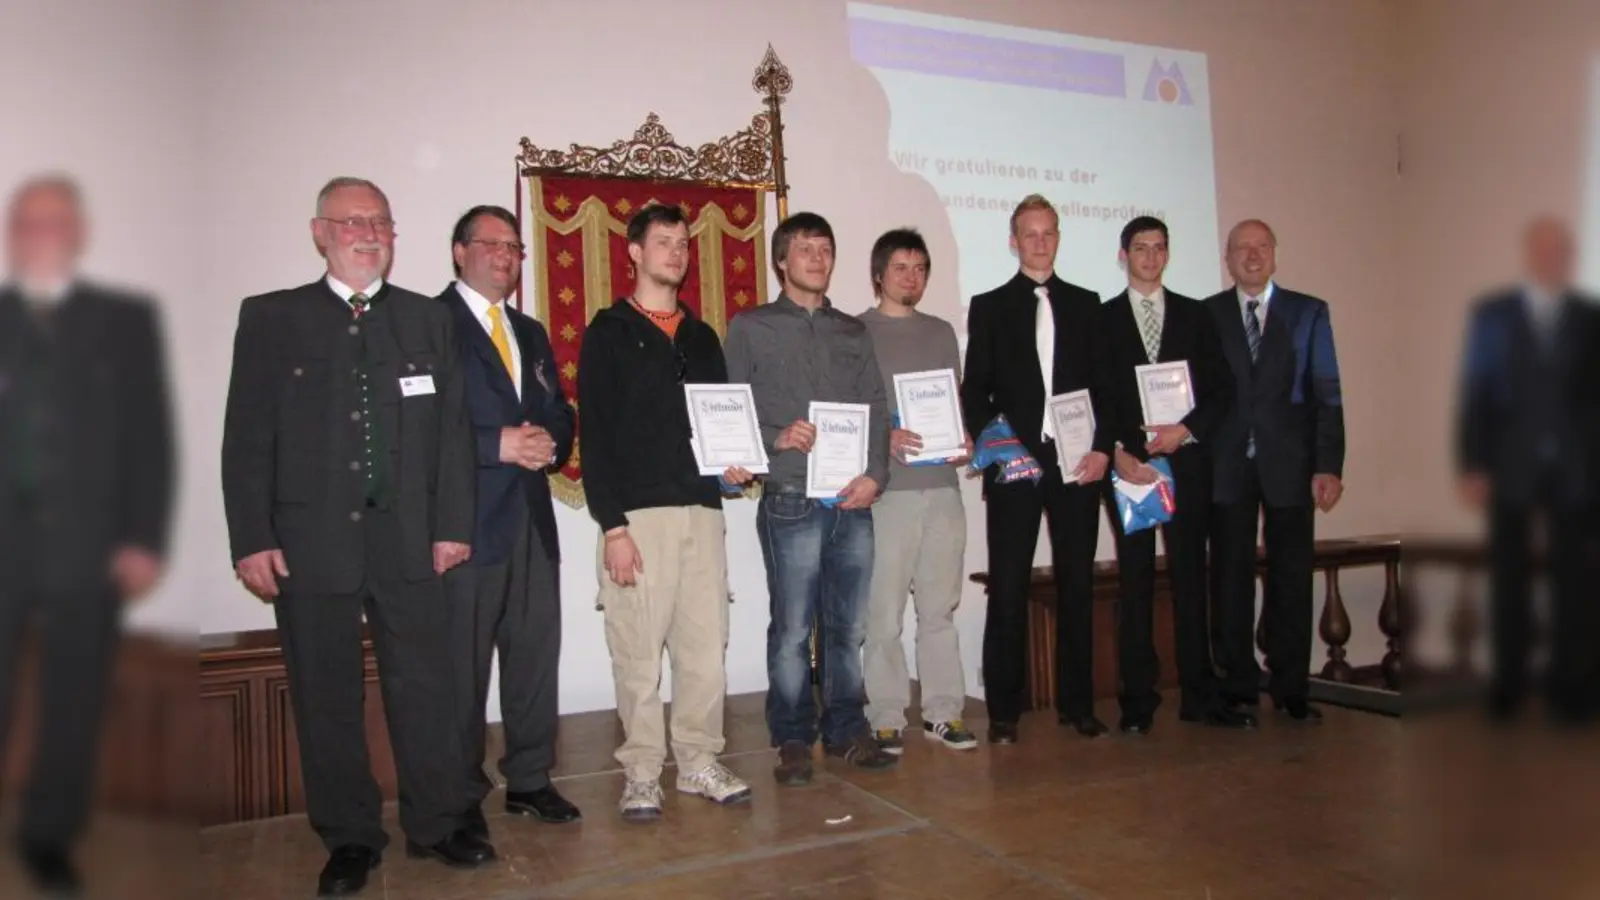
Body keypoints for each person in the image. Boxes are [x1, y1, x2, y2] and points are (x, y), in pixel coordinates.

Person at [222, 177, 489, 897]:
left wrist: (453, 528)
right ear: (319, 233)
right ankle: (348, 838)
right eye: (351, 222)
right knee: (325, 694)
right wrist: (251, 537)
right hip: (309, 544)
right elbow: (245, 439)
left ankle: (436, 825)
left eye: (380, 222)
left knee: (426, 689)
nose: (368, 233)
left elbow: (453, 436)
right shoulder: (273, 318)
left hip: (410, 542)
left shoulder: (426, 321)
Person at [0, 175, 174, 895]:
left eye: (56, 223)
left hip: (91, 545)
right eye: (29, 223)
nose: (42, 235)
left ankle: (49, 839)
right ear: (12, 234)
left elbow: (150, 436)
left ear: (78, 233)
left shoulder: (125, 321)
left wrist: (143, 538)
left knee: (76, 699)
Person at [579, 203, 757, 820]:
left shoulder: (703, 336)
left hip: (703, 513)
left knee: (706, 648)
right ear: (633, 251)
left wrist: (735, 466)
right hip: (639, 517)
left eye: (683, 243)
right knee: (637, 653)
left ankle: (699, 761)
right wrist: (614, 527)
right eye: (662, 241)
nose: (676, 252)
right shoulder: (607, 331)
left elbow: (721, 426)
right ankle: (643, 772)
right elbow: (595, 437)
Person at [725, 211, 899, 784]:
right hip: (790, 494)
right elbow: (731, 409)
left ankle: (847, 727)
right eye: (804, 249)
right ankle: (793, 734)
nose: (817, 258)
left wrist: (877, 474)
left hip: (853, 498)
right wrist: (775, 437)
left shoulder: (853, 330)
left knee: (849, 627)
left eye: (825, 248)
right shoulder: (751, 327)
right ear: (781, 260)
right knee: (794, 627)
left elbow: (877, 408)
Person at [437, 205, 581, 843]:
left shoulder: (529, 331)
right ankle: (459, 793)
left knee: (533, 655)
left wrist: (552, 439)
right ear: (458, 252)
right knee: (461, 668)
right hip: (465, 523)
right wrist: (495, 444)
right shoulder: (429, 325)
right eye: (491, 244)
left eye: (515, 247)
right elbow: (419, 428)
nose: (506, 256)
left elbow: (557, 409)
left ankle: (529, 779)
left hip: (530, 519)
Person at [960, 194, 1115, 744]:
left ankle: (1078, 705)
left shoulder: (1087, 303)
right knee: (1008, 585)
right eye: (1030, 234)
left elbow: (1107, 388)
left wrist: (1102, 447)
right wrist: (996, 445)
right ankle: (1004, 711)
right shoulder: (991, 304)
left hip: (1078, 462)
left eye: (1049, 232)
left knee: (1077, 583)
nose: (1040, 241)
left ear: (1058, 237)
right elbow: (974, 390)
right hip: (1016, 464)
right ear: (1013, 240)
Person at [1099, 216, 1253, 733]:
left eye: (1158, 248)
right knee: (1136, 581)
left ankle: (1199, 697)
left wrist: (1183, 432)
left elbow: (1222, 390)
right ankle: (1137, 704)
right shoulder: (1104, 319)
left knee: (1190, 580)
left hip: (1186, 465)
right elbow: (1095, 397)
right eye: (1140, 248)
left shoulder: (1195, 315)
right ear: (1124, 255)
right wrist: (1118, 450)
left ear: (1167, 254)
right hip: (1131, 468)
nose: (1149, 257)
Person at [1455, 216, 1600, 724]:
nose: (1551, 257)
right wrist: (1472, 463)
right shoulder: (1493, 314)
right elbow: (1475, 391)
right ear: (1528, 254)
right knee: (1510, 579)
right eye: (1543, 248)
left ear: (1569, 256)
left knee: (1574, 584)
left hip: (1578, 472)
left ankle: (1570, 689)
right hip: (1509, 467)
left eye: (1560, 249)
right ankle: (1509, 686)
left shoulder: (1590, 317)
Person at [1204, 219, 1345, 723]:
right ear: (1228, 258)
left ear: (1275, 255)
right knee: (1230, 577)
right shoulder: (1208, 314)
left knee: (1290, 577)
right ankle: (1236, 682)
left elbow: (1327, 392)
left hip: (1291, 464)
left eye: (1261, 246)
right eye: (1242, 248)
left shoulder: (1309, 312)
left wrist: (1328, 465)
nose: (1252, 255)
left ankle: (1291, 685)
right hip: (1225, 466)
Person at [857, 228, 977, 755]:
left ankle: (944, 713)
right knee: (882, 613)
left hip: (942, 488)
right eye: (901, 267)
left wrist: (962, 438)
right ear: (879, 274)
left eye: (921, 267)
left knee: (939, 610)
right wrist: (882, 436)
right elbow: (847, 414)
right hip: (888, 493)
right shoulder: (855, 333)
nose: (912, 277)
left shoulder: (942, 331)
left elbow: (951, 401)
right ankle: (885, 715)